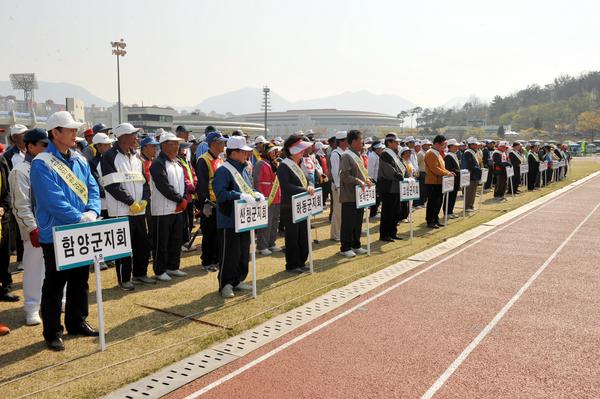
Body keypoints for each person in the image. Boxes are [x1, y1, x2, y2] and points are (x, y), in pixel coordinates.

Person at [30, 111, 101, 351]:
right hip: (57, 232)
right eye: (70, 129)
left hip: (82, 228)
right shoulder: (41, 163)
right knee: (55, 282)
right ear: (55, 133)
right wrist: (79, 217)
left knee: (81, 279)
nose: (75, 133)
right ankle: (52, 331)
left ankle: (77, 320)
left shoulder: (80, 158)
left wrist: (92, 211)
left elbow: (92, 186)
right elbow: (52, 200)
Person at [9, 128, 54, 325]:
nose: (47, 147)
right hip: (35, 228)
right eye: (43, 144)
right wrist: (31, 228)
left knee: (55, 268)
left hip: (54, 224)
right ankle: (32, 308)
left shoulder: (49, 165)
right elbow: (20, 204)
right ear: (30, 146)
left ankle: (57, 301)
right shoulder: (20, 170)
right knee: (34, 268)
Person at [101, 123, 153, 290]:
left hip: (139, 210)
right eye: (133, 135)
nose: (136, 138)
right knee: (124, 247)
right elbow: (111, 185)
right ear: (123, 136)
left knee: (142, 243)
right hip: (120, 210)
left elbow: (144, 181)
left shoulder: (137, 156)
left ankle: (140, 273)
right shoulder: (109, 157)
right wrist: (131, 201)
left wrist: (145, 199)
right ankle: (124, 279)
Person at [213, 136, 262, 298]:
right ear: (234, 153)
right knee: (230, 254)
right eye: (244, 152)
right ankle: (225, 284)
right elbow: (220, 194)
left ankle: (238, 279)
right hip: (229, 219)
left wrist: (254, 194)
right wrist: (239, 195)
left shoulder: (244, 169)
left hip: (244, 218)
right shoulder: (223, 170)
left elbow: (248, 188)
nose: (247, 155)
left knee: (243, 252)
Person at [150, 132, 188, 282]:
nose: (177, 146)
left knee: (176, 239)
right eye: (174, 143)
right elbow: (163, 185)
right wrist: (179, 199)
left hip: (177, 208)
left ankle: (173, 266)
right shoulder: (158, 163)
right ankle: (160, 270)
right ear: (165, 145)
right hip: (162, 209)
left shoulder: (177, 162)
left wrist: (183, 198)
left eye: (178, 144)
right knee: (162, 241)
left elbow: (183, 182)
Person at [277, 135, 315, 273]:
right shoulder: (283, 166)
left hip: (302, 205)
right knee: (293, 236)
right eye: (299, 150)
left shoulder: (300, 164)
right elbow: (286, 186)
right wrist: (305, 189)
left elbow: (306, 181)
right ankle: (292, 264)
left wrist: (309, 187)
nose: (302, 152)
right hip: (290, 206)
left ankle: (301, 261)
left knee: (303, 235)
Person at [196, 131, 227, 272]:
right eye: (221, 142)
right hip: (210, 203)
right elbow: (201, 184)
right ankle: (207, 261)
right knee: (209, 233)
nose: (224, 144)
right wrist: (205, 203)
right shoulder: (203, 160)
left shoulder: (220, 159)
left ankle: (216, 259)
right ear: (214, 143)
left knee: (219, 233)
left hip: (220, 202)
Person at [339, 130, 371, 258]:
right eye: (360, 140)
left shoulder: (358, 155)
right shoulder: (346, 156)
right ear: (353, 141)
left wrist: (367, 180)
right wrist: (358, 180)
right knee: (348, 222)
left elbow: (361, 173)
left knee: (357, 221)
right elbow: (344, 176)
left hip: (359, 195)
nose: (362, 142)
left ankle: (356, 244)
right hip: (349, 195)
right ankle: (345, 247)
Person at [253, 143, 282, 256]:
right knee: (266, 223)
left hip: (276, 196)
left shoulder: (274, 163)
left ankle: (271, 243)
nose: (276, 153)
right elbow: (256, 181)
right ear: (267, 152)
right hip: (266, 197)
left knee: (275, 221)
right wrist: (259, 196)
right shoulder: (260, 163)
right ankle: (262, 246)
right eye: (273, 151)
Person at [377, 134, 403, 242]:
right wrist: (397, 175)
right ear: (389, 142)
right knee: (387, 211)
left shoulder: (394, 154)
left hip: (396, 186)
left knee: (396, 211)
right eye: (396, 142)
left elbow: (401, 166)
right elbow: (388, 170)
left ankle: (393, 233)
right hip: (388, 187)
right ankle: (384, 235)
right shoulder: (385, 154)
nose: (398, 144)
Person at [425, 135, 454, 229]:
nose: (444, 147)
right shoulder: (430, 153)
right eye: (443, 145)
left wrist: (448, 172)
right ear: (436, 144)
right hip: (432, 182)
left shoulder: (437, 152)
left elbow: (441, 168)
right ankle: (430, 221)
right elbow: (434, 168)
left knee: (438, 202)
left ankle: (435, 219)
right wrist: (447, 173)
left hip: (439, 181)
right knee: (433, 202)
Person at [89, 133, 115, 219]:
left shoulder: (115, 159)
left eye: (110, 144)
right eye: (107, 145)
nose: (110, 146)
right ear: (98, 146)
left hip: (118, 203)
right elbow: (96, 183)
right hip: (103, 205)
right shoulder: (93, 162)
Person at [177, 141, 197, 252]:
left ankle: (187, 241)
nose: (185, 150)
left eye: (186, 149)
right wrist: (192, 187)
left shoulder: (187, 161)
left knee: (190, 220)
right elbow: (183, 178)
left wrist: (195, 184)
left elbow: (193, 174)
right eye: (183, 148)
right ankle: (183, 242)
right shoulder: (178, 162)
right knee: (184, 222)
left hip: (191, 196)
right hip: (184, 196)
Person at [329, 131, 348, 241]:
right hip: (339, 186)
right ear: (342, 141)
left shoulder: (345, 152)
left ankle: (341, 232)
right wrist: (338, 187)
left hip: (345, 186)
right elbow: (335, 172)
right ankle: (335, 234)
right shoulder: (336, 153)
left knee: (343, 211)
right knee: (338, 211)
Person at [461, 137, 482, 212]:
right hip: (470, 175)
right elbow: (471, 165)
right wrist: (478, 169)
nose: (476, 146)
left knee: (473, 191)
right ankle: (467, 207)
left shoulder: (473, 152)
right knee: (469, 191)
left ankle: (471, 205)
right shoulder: (468, 152)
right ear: (471, 145)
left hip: (475, 174)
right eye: (475, 144)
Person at [443, 139, 461, 219]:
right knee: (449, 196)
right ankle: (447, 212)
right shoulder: (448, 156)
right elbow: (449, 168)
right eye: (455, 146)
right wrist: (459, 172)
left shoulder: (454, 154)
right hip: (450, 179)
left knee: (453, 196)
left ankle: (451, 211)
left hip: (456, 179)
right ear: (450, 147)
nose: (457, 147)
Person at [367, 141, 384, 219]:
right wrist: (373, 181)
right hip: (374, 180)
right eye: (380, 148)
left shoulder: (376, 156)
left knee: (378, 197)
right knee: (375, 197)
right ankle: (373, 214)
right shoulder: (372, 157)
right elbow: (370, 170)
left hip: (378, 180)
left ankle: (375, 212)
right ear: (376, 149)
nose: (381, 150)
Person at [415, 139, 431, 208]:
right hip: (421, 173)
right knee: (421, 189)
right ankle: (420, 203)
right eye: (427, 145)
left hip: (427, 173)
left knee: (426, 189)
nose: (428, 146)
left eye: (428, 145)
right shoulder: (420, 153)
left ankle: (424, 202)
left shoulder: (428, 152)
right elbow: (416, 164)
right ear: (423, 145)